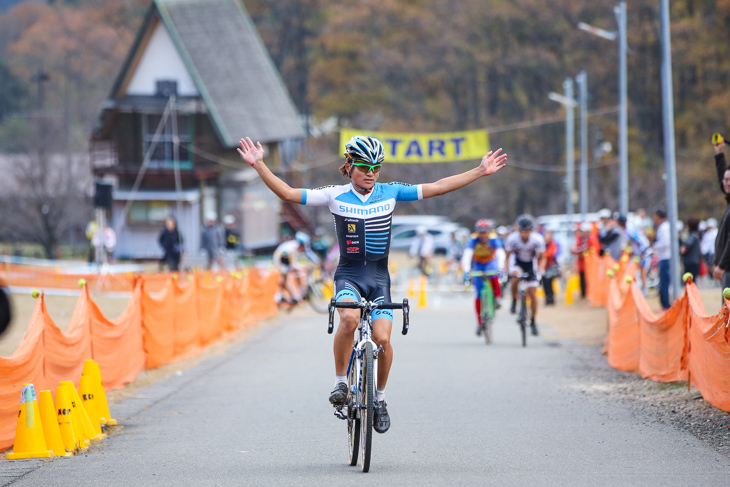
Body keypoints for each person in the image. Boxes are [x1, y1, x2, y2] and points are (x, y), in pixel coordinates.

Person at [238, 134, 507, 434]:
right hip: (349, 276)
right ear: (350, 165)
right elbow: (288, 193)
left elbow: (438, 187)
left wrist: (479, 171)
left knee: (383, 339)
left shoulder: (391, 192)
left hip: (379, 280)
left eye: (376, 167)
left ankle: (379, 400)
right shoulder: (334, 195)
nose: (371, 173)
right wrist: (259, 165)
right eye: (365, 167)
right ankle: (341, 383)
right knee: (349, 318)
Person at [503, 214, 545, 336]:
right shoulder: (512, 238)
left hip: (531, 264)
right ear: (518, 229)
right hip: (517, 263)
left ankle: (533, 321)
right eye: (521, 231)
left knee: (533, 294)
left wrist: (541, 269)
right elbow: (507, 257)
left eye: (526, 231)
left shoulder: (537, 239)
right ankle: (514, 301)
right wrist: (506, 270)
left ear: (531, 230)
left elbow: (543, 257)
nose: (524, 234)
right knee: (515, 278)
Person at [461, 219, 504, 335]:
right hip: (478, 264)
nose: (483, 235)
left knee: (493, 275)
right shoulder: (473, 239)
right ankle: (480, 323)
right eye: (481, 232)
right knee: (479, 294)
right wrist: (466, 271)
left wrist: (500, 268)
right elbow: (467, 255)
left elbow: (500, 254)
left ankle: (497, 296)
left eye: (485, 232)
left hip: (490, 262)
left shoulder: (494, 239)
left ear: (489, 232)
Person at [272, 231, 320, 304]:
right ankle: (284, 297)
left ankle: (287, 296)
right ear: (301, 244)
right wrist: (300, 268)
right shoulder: (293, 248)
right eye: (304, 246)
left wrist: (317, 261)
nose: (305, 248)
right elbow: (293, 264)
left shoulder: (299, 246)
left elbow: (308, 253)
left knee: (292, 274)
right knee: (287, 276)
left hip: (286, 259)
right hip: (280, 260)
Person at [652, 208, 671, 310]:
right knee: (663, 282)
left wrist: (655, 246)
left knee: (664, 282)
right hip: (664, 257)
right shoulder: (664, 226)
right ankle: (665, 304)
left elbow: (665, 243)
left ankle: (666, 305)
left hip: (665, 257)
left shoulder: (664, 227)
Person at [542, 230, 559, 306]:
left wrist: (542, 255)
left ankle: (551, 299)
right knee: (544, 283)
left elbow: (550, 254)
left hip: (550, 266)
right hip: (543, 267)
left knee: (549, 283)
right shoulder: (542, 244)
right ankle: (547, 299)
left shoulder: (552, 244)